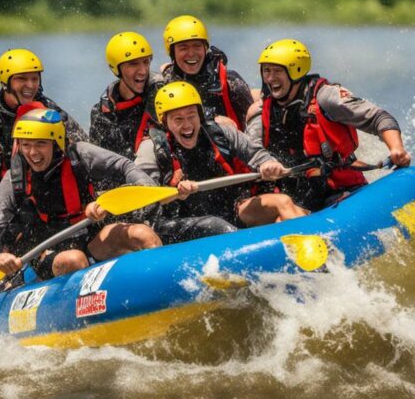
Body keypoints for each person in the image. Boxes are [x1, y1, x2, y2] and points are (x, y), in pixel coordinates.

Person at [0, 109, 162, 282]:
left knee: (142, 234)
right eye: (26, 145)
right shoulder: (14, 179)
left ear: (56, 143)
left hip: (92, 239)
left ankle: (163, 284)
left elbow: (125, 166)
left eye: (40, 144)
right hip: (47, 252)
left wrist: (139, 190)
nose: (32, 152)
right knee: (74, 260)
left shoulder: (79, 155)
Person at [245, 38, 411, 215]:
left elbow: (378, 118)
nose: (270, 78)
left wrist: (396, 148)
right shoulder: (260, 111)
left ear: (296, 70)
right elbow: (251, 151)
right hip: (295, 198)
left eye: (277, 71)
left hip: (340, 191)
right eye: (266, 71)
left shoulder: (327, 97)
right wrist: (265, 165)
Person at [135, 81, 305, 244]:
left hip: (231, 208)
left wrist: (267, 163)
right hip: (178, 222)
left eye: (191, 116)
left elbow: (255, 152)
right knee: (216, 225)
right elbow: (143, 199)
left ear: (200, 115)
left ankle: (313, 258)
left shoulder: (220, 133)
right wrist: (174, 194)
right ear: (165, 122)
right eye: (178, 119)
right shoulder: (151, 149)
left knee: (282, 202)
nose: (187, 125)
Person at [0, 48, 88, 232]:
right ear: (5, 82)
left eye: (34, 78)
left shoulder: (51, 114)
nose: (30, 85)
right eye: (22, 79)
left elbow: (84, 148)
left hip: (40, 193)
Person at [161, 15, 253, 130]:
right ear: (172, 53)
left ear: (205, 48)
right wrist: (212, 118)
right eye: (183, 48)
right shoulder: (165, 85)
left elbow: (253, 130)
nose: (191, 53)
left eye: (197, 46)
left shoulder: (231, 82)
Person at [89, 32, 164, 161]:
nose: (143, 71)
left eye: (146, 62)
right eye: (133, 64)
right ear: (117, 69)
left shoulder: (164, 93)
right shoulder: (102, 114)